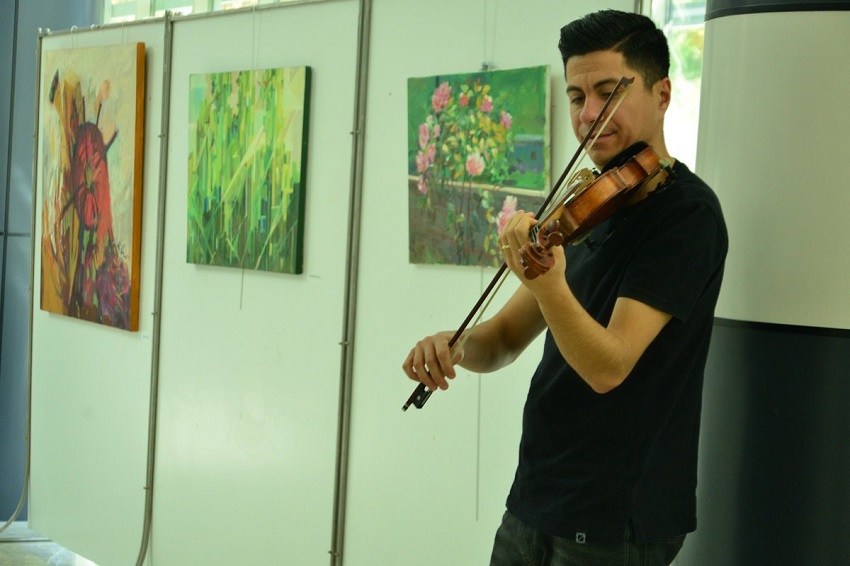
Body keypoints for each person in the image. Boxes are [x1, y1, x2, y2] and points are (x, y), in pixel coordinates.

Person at [401, 9, 728, 566]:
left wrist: (550, 283)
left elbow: (609, 367)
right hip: (536, 500)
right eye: (577, 97)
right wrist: (454, 346)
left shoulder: (686, 216)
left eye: (609, 92)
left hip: (614, 521)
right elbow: (504, 339)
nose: (589, 114)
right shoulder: (590, 207)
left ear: (663, 94)